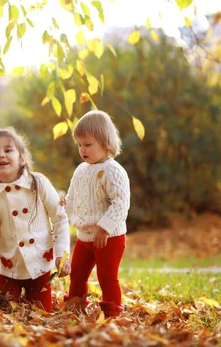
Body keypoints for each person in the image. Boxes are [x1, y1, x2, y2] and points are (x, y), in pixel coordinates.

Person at [0, 127, 70, 312]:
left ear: (22, 159)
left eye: (8, 150)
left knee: (41, 314)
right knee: (6, 313)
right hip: (8, 269)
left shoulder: (39, 183)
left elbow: (60, 219)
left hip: (39, 267)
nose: (1, 155)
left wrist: (62, 254)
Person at [62, 110, 130, 317]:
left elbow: (121, 203)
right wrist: (61, 212)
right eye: (79, 145)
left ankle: (111, 314)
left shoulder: (113, 170)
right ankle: (75, 307)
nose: (82, 150)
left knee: (107, 277)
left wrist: (104, 227)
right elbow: (72, 198)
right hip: (84, 236)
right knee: (77, 275)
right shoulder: (81, 170)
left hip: (108, 238)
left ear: (105, 142)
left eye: (88, 144)